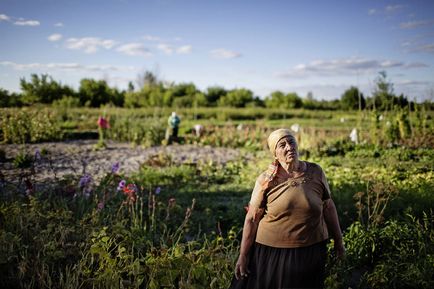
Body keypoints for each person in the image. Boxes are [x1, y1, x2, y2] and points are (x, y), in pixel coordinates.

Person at [229, 128, 345, 289]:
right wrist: (243, 255)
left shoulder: (315, 172)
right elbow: (252, 219)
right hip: (273, 253)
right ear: (275, 154)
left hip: (312, 250)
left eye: (291, 141)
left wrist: (339, 242)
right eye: (282, 145)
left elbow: (328, 207)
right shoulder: (266, 180)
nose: (289, 147)